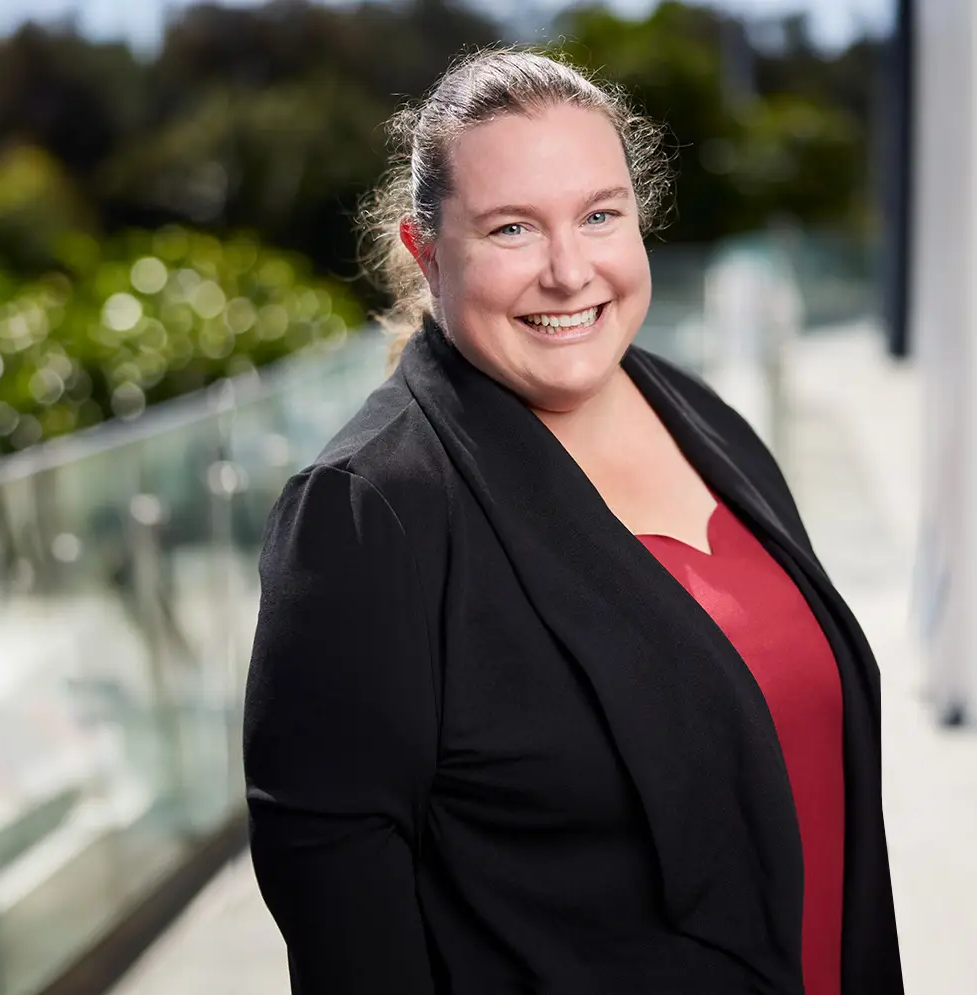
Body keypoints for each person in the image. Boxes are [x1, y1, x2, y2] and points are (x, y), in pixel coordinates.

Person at [243, 48, 903, 995]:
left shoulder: (704, 416)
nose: (568, 270)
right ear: (426, 251)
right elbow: (343, 911)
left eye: (600, 215)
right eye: (512, 228)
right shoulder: (367, 512)